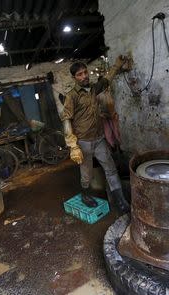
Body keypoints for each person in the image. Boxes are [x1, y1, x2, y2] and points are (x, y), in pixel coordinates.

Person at [60, 56, 130, 213]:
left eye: (85, 72)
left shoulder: (93, 89)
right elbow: (66, 120)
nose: (84, 76)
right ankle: (85, 195)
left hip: (99, 139)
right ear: (74, 77)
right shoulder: (71, 96)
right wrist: (73, 146)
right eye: (80, 74)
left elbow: (106, 79)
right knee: (87, 175)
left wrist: (117, 65)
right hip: (83, 142)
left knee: (111, 168)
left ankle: (120, 201)